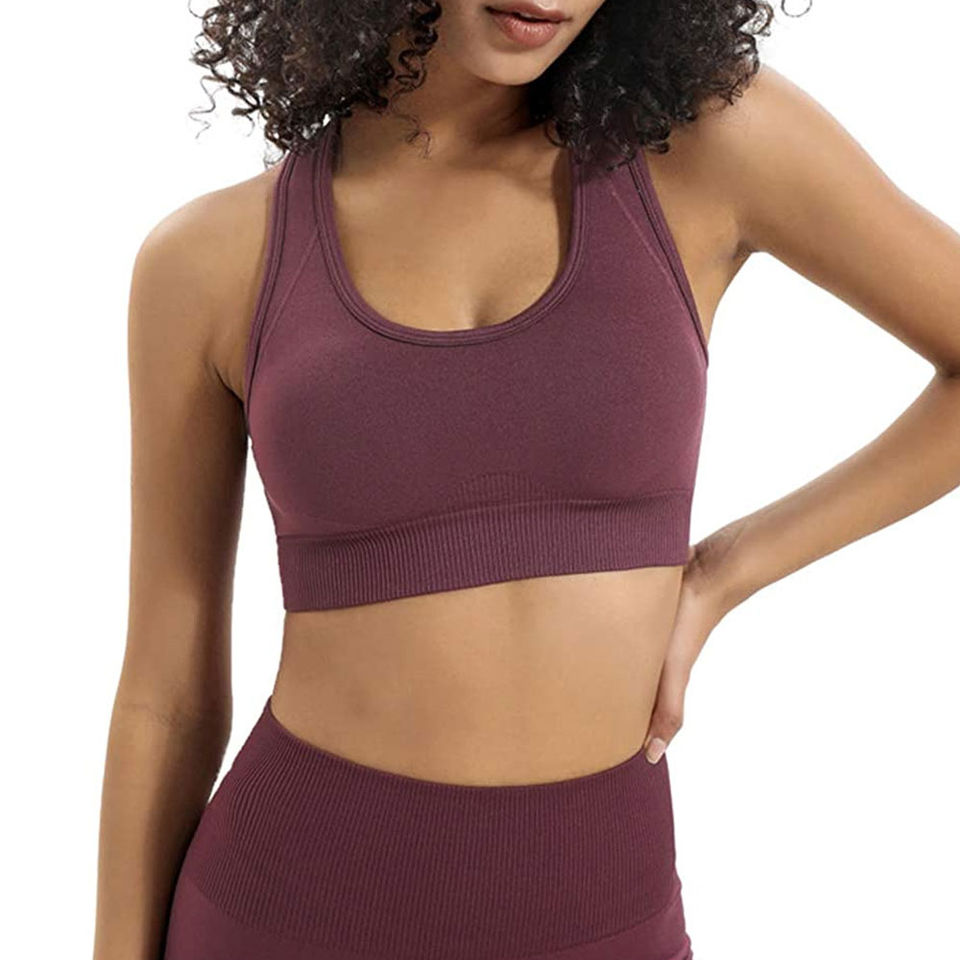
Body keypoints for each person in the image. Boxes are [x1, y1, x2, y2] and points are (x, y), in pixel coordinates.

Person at [93, 2, 960, 959]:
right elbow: (166, 697)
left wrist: (722, 574)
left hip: (605, 918)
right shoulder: (210, 257)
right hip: (286, 908)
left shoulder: (705, 149)